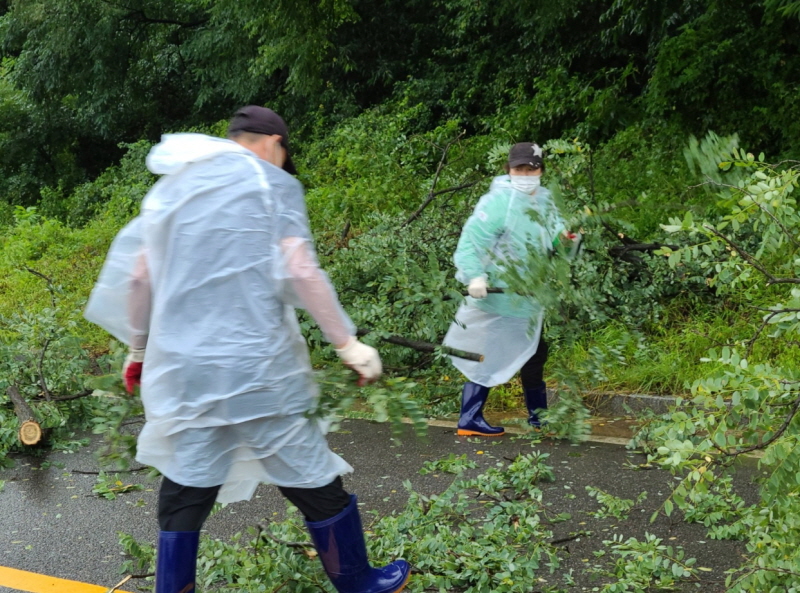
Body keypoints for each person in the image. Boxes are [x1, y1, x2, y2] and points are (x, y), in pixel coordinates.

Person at [85, 106, 411, 593]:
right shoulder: (268, 183)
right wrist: (347, 343)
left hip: (187, 372)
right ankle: (358, 581)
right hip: (257, 370)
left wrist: (138, 351)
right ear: (275, 143)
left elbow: (138, 277)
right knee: (308, 472)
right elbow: (299, 269)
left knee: (188, 483)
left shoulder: (175, 188)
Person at [443, 142, 576, 436]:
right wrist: (474, 277)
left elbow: (557, 245)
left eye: (532, 169)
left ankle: (538, 418)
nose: (525, 175)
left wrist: (568, 240)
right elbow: (470, 243)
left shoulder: (545, 203)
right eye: (520, 169)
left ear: (541, 171)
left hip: (528, 300)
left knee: (534, 354)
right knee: (486, 354)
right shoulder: (497, 202)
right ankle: (469, 418)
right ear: (509, 170)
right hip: (495, 299)